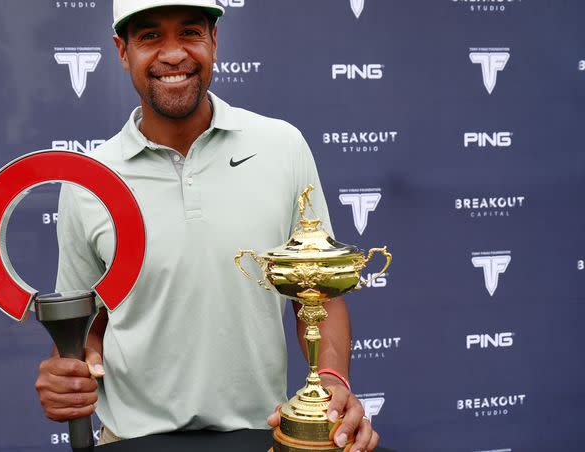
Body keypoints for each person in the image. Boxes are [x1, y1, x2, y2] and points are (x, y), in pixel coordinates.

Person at [34, 1, 379, 450]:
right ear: (122, 52)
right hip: (132, 441)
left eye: (191, 32)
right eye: (150, 36)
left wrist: (332, 381)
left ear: (214, 42)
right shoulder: (89, 181)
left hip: (261, 436)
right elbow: (86, 327)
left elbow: (320, 292)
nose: (173, 54)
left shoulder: (283, 146)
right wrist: (66, 375)